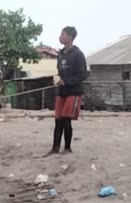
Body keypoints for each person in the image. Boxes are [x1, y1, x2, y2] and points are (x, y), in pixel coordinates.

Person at [44, 26, 87, 156]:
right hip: (61, 91)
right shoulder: (61, 54)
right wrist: (58, 80)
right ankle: (55, 148)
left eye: (62, 34)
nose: (60, 37)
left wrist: (66, 81)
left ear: (70, 37)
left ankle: (67, 148)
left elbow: (83, 75)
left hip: (73, 91)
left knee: (66, 119)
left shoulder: (78, 54)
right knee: (58, 120)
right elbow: (60, 71)